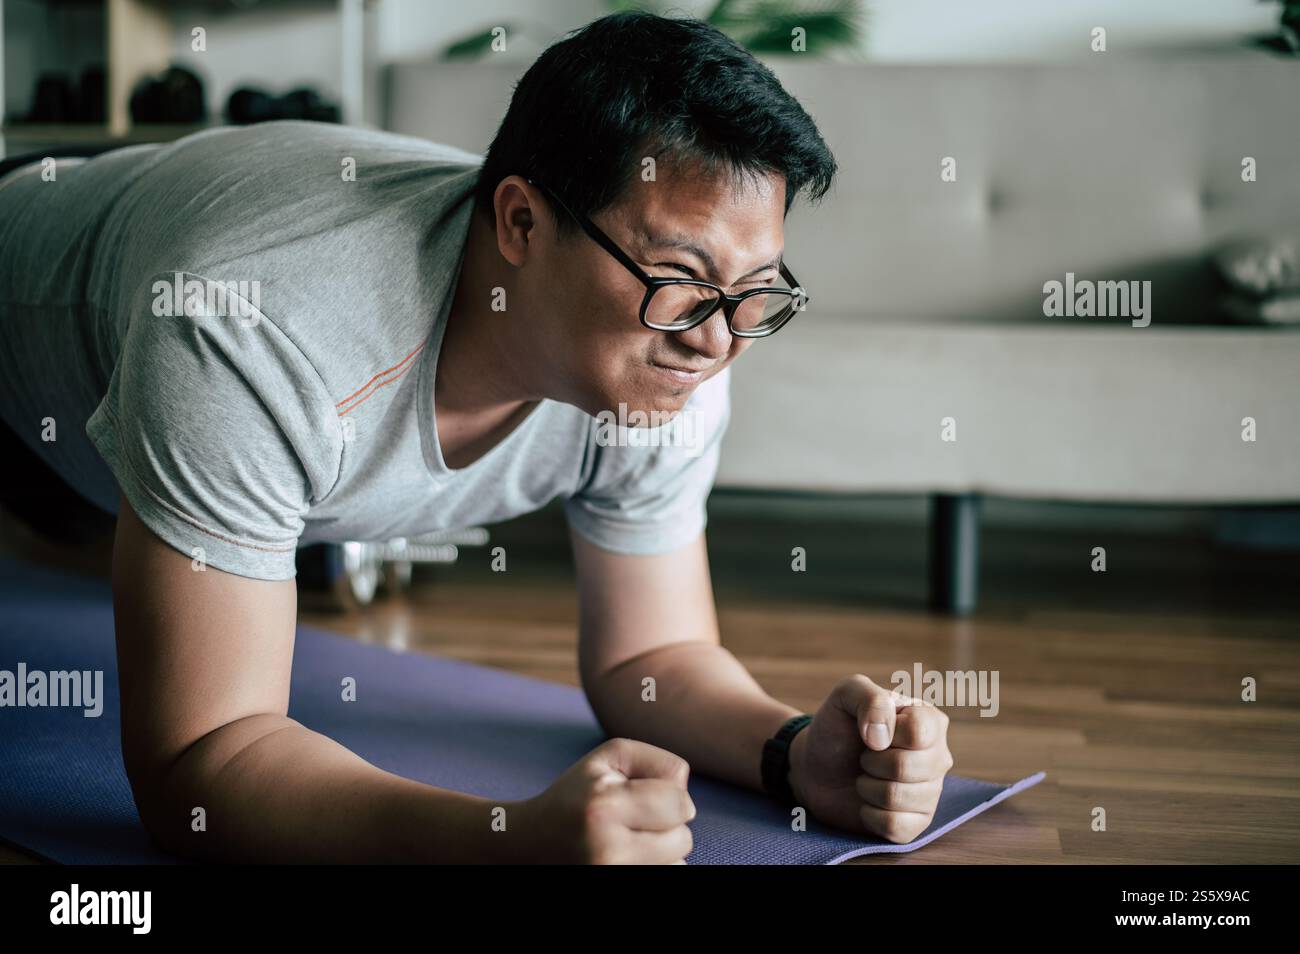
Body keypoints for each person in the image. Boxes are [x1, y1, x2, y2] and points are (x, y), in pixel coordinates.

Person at [0, 10, 951, 863]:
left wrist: (792, 754)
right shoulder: (252, 330)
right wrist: (503, 846)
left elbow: (649, 657)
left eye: (753, 291)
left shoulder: (680, 349)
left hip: (111, 439)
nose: (715, 340)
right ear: (522, 223)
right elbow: (199, 767)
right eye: (682, 274)